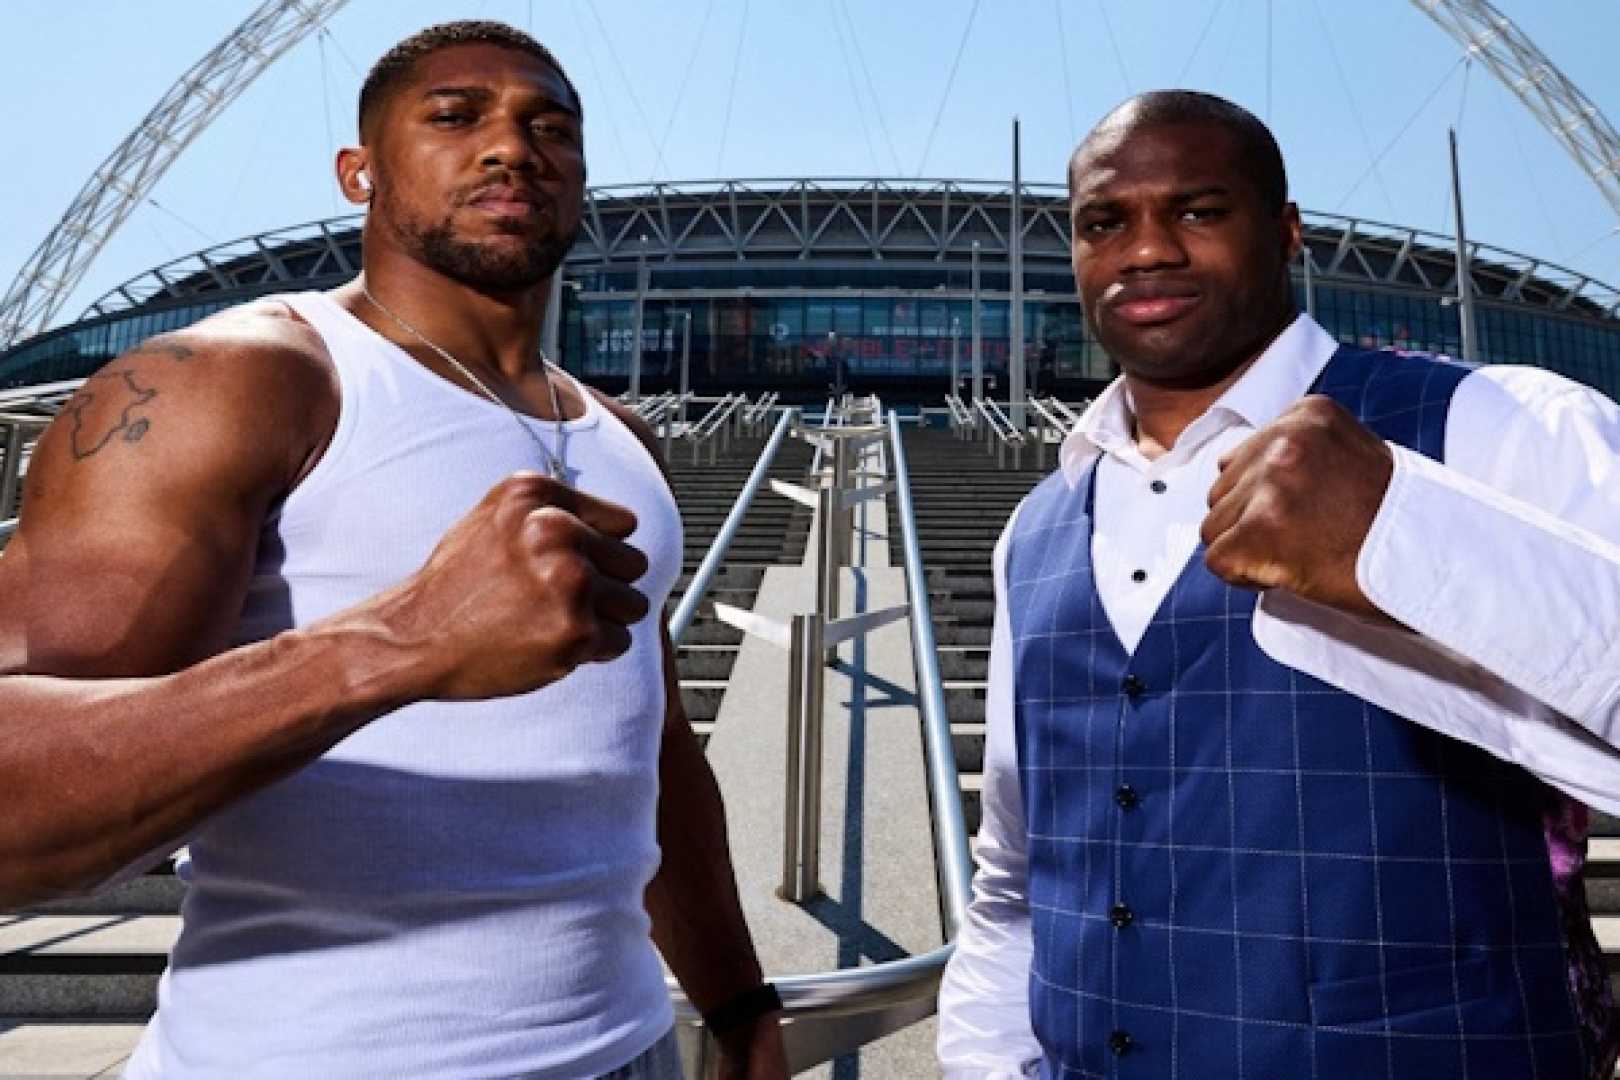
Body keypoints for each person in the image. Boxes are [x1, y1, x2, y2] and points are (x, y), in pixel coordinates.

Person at [0, 21, 787, 1079]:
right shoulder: (238, 384)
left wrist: (739, 1005)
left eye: (550, 125)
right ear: (357, 172)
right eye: (457, 116)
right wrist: (397, 640)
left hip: (628, 1045)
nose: (514, 146)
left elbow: (655, 753)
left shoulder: (621, 438)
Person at [937, 90, 1620, 1079]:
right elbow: (1013, 880)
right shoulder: (1036, 527)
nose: (1147, 250)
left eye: (1198, 210)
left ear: (1288, 231)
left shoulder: (1497, 426)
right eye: (1104, 222)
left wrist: (1408, 538)